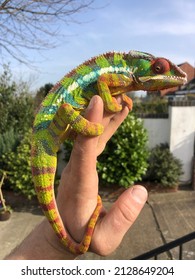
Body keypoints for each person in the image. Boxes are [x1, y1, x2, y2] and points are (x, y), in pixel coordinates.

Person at [6, 95, 148, 260]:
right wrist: (87, 127)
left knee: (89, 141)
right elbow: (66, 109)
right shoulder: (112, 78)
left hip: (48, 136)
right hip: (46, 137)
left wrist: (57, 243)